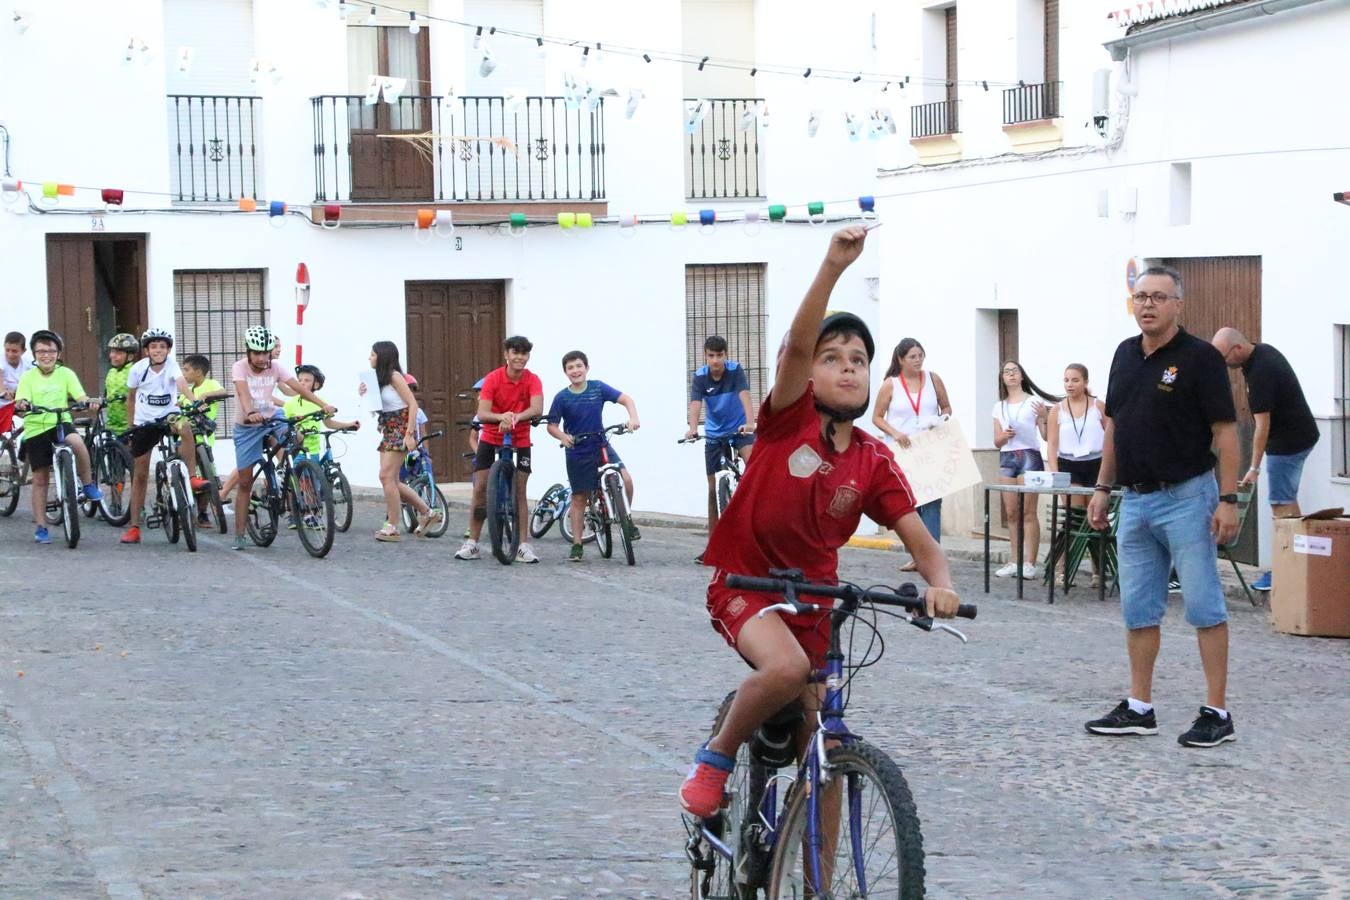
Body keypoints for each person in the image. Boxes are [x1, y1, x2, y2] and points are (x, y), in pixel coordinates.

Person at [679, 227, 962, 819]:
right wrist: (833, 266)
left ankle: (817, 884)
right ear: (808, 372)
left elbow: (921, 540)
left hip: (816, 600)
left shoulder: (873, 458)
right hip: (744, 583)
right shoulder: (787, 419)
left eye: (858, 360)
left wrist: (942, 584)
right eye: (832, 359)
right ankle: (717, 756)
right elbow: (800, 347)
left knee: (825, 753)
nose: (847, 369)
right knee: (785, 669)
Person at [1086, 266, 1240, 749]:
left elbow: (1225, 432)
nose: (1147, 304)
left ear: (1179, 304)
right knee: (1138, 606)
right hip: (1134, 499)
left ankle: (1217, 712)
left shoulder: (1200, 359)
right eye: (1140, 296)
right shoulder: (1123, 355)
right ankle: (1139, 707)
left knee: (1202, 603)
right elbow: (1115, 427)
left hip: (1188, 497)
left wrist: (1230, 499)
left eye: (1158, 296)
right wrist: (1102, 487)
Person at [1211, 328, 1320, 592]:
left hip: (1288, 444)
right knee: (1288, 504)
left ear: (1236, 349)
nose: (1224, 365)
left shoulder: (1260, 372)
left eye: (1224, 358)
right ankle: (1296, 562)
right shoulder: (1262, 353)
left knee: (1281, 506)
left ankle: (1285, 569)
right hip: (1299, 435)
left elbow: (1262, 426)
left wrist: (1254, 467)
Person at [228, 326, 334, 551]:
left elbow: (299, 389)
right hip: (247, 425)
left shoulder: (275, 367)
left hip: (272, 416)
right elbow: (243, 394)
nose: (261, 358)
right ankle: (239, 533)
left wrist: (322, 405)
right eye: (256, 353)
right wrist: (249, 412)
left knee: (295, 435)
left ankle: (289, 471)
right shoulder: (240, 367)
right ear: (248, 352)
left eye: (265, 353)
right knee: (245, 481)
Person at [545, 350, 642, 563]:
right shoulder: (562, 397)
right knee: (579, 497)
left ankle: (626, 519)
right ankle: (577, 544)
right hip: (577, 449)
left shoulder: (598, 388)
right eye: (570, 367)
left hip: (601, 444)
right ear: (565, 372)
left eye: (579, 366)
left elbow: (625, 399)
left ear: (587, 368)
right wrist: (562, 436)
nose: (575, 370)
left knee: (626, 480)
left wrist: (633, 418)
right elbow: (552, 426)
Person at [455, 336, 544, 563]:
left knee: (520, 491)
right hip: (491, 435)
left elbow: (537, 408)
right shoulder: (493, 379)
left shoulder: (532, 380)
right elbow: (483, 413)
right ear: (506, 354)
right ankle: (472, 542)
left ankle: (523, 545)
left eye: (524, 354)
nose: (519, 358)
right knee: (480, 488)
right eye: (515, 353)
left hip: (521, 437)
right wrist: (500, 417)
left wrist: (514, 417)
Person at [12, 330, 102, 544]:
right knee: (41, 478)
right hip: (36, 427)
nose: (46, 355)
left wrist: (88, 401)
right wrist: (22, 403)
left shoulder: (66, 374)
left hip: (61, 422)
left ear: (58, 353)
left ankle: (87, 484)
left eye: (51, 351)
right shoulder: (28, 376)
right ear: (34, 354)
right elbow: (21, 398)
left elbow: (79, 395)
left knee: (77, 442)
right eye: (41, 351)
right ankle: (41, 526)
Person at [119, 329, 208, 545]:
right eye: (153, 346)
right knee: (139, 475)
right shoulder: (138, 369)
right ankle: (134, 527)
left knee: (185, 427)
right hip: (145, 422)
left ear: (168, 349)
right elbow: (131, 399)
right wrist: (131, 426)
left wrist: (194, 401)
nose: (158, 350)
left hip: (168, 417)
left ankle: (192, 476)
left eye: (162, 346)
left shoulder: (172, 365)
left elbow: (181, 384)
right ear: (147, 350)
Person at [871, 337, 952, 567]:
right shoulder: (891, 384)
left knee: (933, 498)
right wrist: (895, 432)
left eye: (920, 355)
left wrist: (941, 419)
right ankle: (918, 553)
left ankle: (932, 553)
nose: (918, 361)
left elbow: (946, 406)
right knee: (911, 500)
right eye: (912, 357)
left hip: (929, 445)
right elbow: (876, 417)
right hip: (903, 449)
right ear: (901, 359)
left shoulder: (933, 379)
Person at [358, 343, 440, 542]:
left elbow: (412, 403)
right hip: (389, 426)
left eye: (373, 354)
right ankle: (427, 512)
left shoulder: (395, 376)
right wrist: (365, 393)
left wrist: (410, 433)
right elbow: (379, 406)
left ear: (383, 357)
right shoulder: (379, 380)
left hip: (401, 426)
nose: (369, 358)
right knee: (392, 480)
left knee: (385, 476)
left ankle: (392, 526)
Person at [686, 335, 757, 564]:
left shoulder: (735, 370)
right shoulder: (699, 377)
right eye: (711, 356)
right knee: (712, 488)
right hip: (715, 435)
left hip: (739, 430)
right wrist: (692, 428)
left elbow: (744, 396)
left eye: (719, 355)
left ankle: (756, 521)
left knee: (754, 465)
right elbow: (696, 404)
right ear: (705, 356)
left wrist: (750, 422)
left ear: (726, 355)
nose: (715, 360)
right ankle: (712, 547)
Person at [992, 361, 1058, 579]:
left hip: (1030, 455)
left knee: (1028, 512)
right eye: (1006, 372)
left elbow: (1046, 435)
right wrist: (1004, 436)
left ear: (1022, 376)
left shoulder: (1033, 401)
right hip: (1008, 457)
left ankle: (1030, 562)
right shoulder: (999, 406)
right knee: (1011, 512)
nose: (1011, 375)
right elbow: (997, 441)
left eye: (1015, 371)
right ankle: (1014, 560)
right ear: (1002, 378)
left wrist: (1043, 417)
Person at [1045, 364, 1108, 586]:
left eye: (1075, 380)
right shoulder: (1057, 410)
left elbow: (1111, 438)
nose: (1070, 385)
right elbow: (1052, 445)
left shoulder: (1098, 407)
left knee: (1095, 518)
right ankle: (1062, 568)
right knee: (1073, 518)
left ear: (1085, 382)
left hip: (1096, 463)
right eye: (1066, 380)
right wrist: (1055, 474)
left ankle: (1099, 571)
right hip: (1068, 464)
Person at [179, 354, 232, 526]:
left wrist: (206, 396)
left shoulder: (210, 384)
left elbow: (223, 392)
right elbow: (177, 405)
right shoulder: (187, 392)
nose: (183, 373)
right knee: (184, 470)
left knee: (209, 477)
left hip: (204, 436)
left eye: (186, 369)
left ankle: (202, 513)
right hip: (186, 436)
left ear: (199, 372)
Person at [103, 333, 140, 435]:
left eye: (118, 352)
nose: (112, 355)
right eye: (112, 351)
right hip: (111, 427)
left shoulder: (135, 371)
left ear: (130, 356)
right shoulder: (111, 372)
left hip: (130, 426)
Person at [1, 331, 32, 436]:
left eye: (14, 351)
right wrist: (3, 392)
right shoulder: (1, 361)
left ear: (23, 351)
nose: (10, 354)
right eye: (7, 350)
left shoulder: (28, 365)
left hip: (18, 402)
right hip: (3, 404)